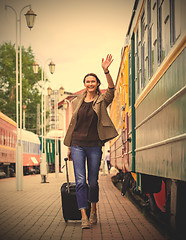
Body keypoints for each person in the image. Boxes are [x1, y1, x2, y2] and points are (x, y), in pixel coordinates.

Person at [64, 54, 118, 229]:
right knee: (80, 181)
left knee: (92, 181)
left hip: (94, 145)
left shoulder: (102, 100)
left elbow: (111, 89)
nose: (90, 84)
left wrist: (106, 71)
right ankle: (84, 216)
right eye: (87, 81)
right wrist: (69, 147)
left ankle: (94, 209)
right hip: (77, 144)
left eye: (93, 81)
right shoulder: (77, 101)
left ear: (97, 84)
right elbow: (74, 124)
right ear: (84, 84)